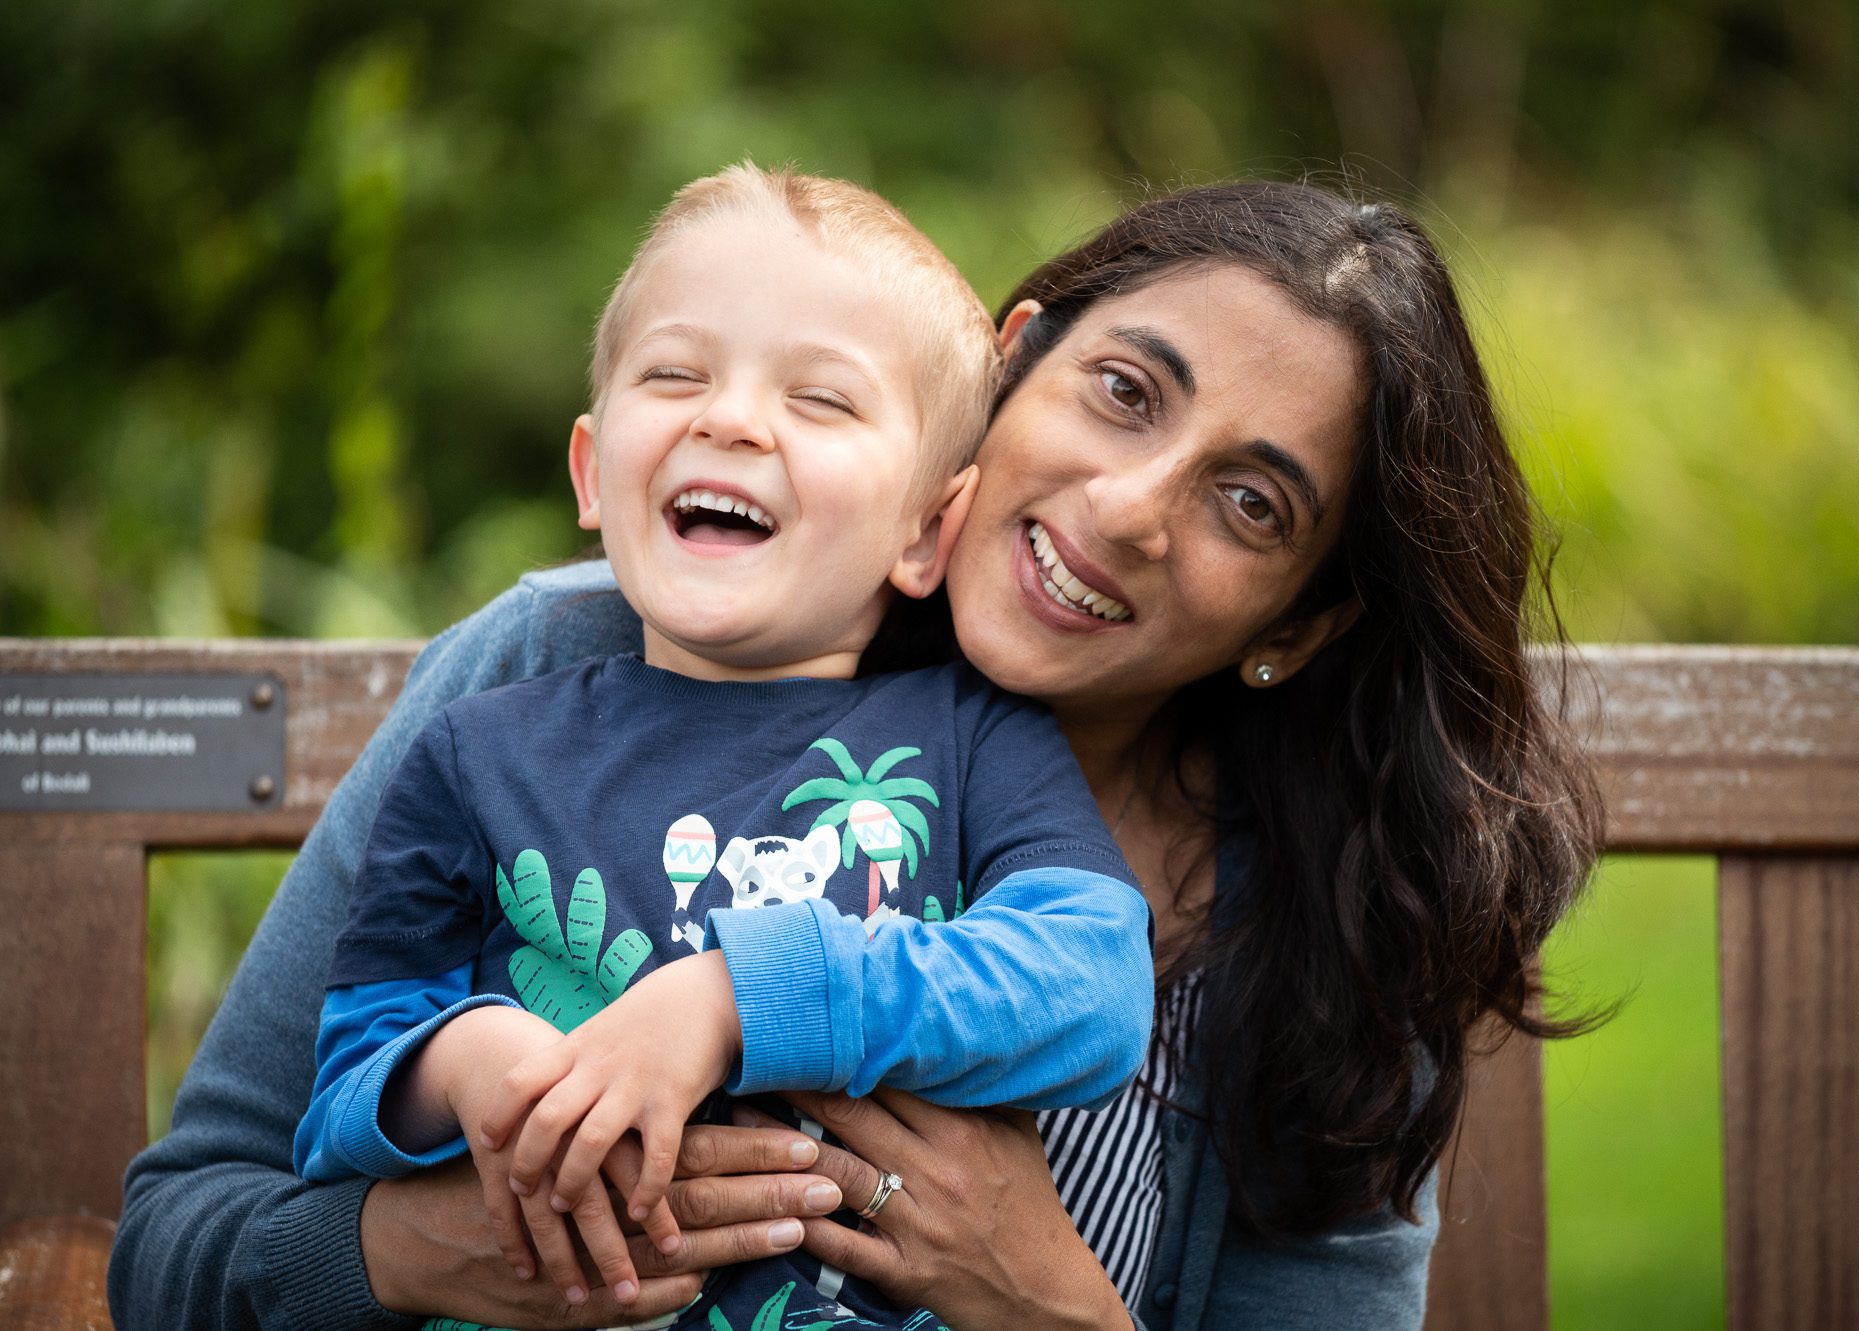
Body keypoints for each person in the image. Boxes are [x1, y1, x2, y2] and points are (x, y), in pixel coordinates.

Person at [111, 179, 1600, 1331]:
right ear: (1013, 368)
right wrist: (436, 1240)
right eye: (1125, 392)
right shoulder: (549, 676)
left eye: (1253, 503)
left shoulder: (1338, 922)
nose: (1135, 504)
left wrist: (1042, 1298)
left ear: (1302, 618)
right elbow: (179, 1243)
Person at [292, 163, 1154, 1331]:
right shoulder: (475, 752)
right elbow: (340, 1082)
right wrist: (465, 1062)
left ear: (925, 531)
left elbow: (1090, 988)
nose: (730, 417)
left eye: (820, 400)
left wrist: (740, 997)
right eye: (675, 373)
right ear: (594, 471)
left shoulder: (969, 738)